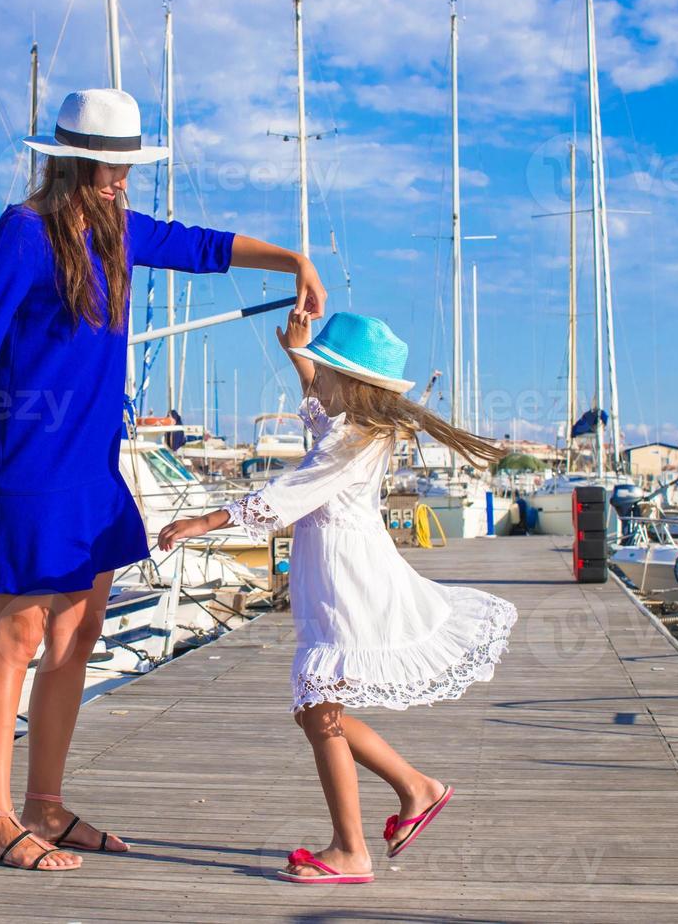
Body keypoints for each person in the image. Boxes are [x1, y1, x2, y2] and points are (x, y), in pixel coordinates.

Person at [0, 88, 328, 871]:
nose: (120, 180)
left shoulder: (119, 233)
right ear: (71, 160)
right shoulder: (24, 232)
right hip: (32, 462)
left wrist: (294, 260)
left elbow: (204, 245)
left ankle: (46, 806)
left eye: (128, 167)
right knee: (17, 633)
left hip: (95, 463)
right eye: (108, 166)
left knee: (79, 632)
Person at [158, 309, 518, 884]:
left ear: (348, 383)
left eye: (325, 371)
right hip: (335, 574)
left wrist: (206, 519)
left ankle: (353, 848)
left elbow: (291, 490)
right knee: (317, 706)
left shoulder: (351, 440)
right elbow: (317, 407)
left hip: (349, 578)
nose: (315, 382)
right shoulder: (350, 427)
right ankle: (414, 789)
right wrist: (300, 355)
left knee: (320, 704)